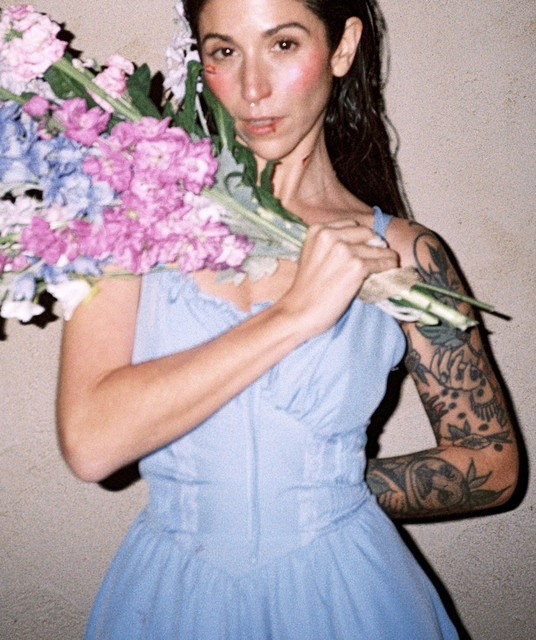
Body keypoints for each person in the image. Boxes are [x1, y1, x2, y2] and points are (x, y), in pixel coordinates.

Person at [56, 0, 519, 637]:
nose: (252, 88)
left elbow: (491, 463)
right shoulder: (128, 221)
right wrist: (297, 314)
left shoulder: (405, 254)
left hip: (348, 592)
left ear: (342, 47)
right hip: (174, 597)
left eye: (282, 45)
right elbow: (89, 444)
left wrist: (323, 490)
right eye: (224, 52)